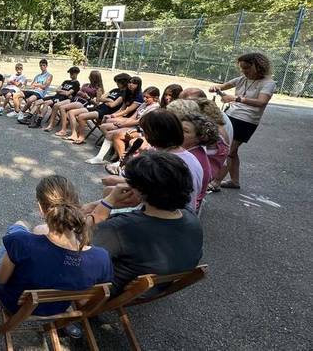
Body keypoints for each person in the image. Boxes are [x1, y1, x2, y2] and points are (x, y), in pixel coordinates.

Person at [0, 175, 112, 323]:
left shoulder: (21, 243)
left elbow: (1, 279)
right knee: (30, 235)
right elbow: (83, 302)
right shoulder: (101, 259)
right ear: (76, 206)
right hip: (55, 311)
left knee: (18, 228)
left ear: (40, 208)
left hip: (14, 305)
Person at [88, 151, 203, 296]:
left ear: (140, 191)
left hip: (106, 291)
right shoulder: (191, 216)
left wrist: (109, 201)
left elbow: (82, 250)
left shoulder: (121, 228)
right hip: (154, 287)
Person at [208, 52, 276, 190]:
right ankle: (235, 181)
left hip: (247, 121)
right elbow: (221, 86)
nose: (244, 71)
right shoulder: (241, 79)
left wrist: (235, 98)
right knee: (232, 151)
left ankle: (215, 182)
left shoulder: (268, 83)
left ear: (258, 66)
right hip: (230, 116)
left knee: (228, 151)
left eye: (247, 68)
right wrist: (216, 88)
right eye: (242, 68)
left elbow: (261, 102)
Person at [87, 86, 159, 164]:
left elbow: (139, 122)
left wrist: (123, 124)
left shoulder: (154, 107)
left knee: (113, 133)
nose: (144, 99)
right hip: (134, 126)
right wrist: (123, 123)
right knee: (106, 127)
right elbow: (133, 117)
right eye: (144, 96)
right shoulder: (144, 104)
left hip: (141, 130)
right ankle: (103, 156)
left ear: (155, 98)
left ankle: (119, 160)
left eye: (147, 97)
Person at [68, 73, 129, 144]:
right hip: (99, 107)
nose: (117, 83)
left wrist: (107, 101)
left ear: (123, 82)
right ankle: (74, 134)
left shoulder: (124, 93)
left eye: (118, 82)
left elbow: (113, 105)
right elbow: (100, 98)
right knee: (72, 112)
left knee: (81, 116)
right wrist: (109, 100)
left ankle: (81, 137)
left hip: (106, 111)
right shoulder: (115, 90)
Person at [47, 70, 104, 135]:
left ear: (94, 78)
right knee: (56, 105)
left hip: (83, 102)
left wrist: (88, 97)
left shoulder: (98, 89)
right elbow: (78, 92)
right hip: (75, 99)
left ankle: (63, 130)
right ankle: (50, 125)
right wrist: (78, 93)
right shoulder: (86, 84)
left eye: (90, 76)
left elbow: (97, 103)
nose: (89, 77)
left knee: (62, 107)